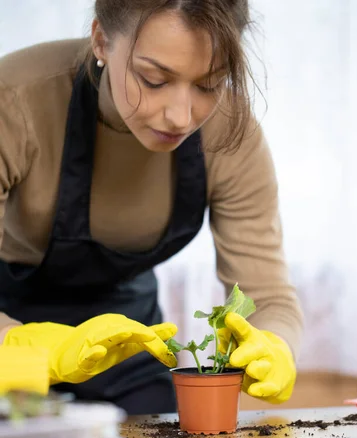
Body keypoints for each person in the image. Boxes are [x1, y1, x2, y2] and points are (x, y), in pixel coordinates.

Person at [0, 0, 303, 414]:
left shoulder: (231, 132)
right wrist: (21, 349)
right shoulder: (14, 100)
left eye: (209, 84)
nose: (181, 117)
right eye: (154, 79)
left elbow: (269, 298)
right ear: (101, 41)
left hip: (127, 336)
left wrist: (275, 343)